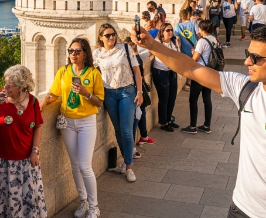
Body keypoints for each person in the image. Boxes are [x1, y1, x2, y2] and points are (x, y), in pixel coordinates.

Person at [133, 25, 266, 217]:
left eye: (255, 58)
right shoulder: (245, 89)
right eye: (248, 54)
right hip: (241, 208)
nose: (247, 62)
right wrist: (152, 45)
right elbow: (192, 69)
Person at [42, 38, 104, 218]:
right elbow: (54, 93)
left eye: (77, 51)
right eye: (70, 51)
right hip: (67, 122)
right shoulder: (63, 71)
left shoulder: (93, 74)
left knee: (85, 165)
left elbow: (99, 102)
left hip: (86, 122)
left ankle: (94, 206)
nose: (73, 54)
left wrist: (86, 94)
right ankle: (83, 201)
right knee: (75, 165)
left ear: (85, 53)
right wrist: (42, 104)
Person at [0, 65, 46, 218]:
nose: (6, 87)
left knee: (28, 200)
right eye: (6, 82)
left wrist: (35, 151)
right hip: (4, 162)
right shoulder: (0, 98)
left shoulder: (33, 102)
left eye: (10, 84)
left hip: (27, 161)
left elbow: (37, 127)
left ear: (21, 86)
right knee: (6, 202)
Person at [93, 24, 143, 183]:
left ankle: (129, 167)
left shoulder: (125, 48)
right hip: (109, 94)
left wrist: (140, 92)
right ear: (101, 37)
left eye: (113, 34)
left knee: (127, 131)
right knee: (118, 130)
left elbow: (137, 71)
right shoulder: (97, 54)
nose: (111, 37)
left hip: (127, 92)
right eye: (107, 35)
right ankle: (125, 162)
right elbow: (91, 73)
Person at [182, 19, 218, 134]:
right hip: (210, 72)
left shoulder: (202, 41)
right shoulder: (214, 39)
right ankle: (207, 125)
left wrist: (193, 53)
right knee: (207, 98)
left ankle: (192, 126)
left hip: (200, 72)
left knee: (193, 99)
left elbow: (195, 59)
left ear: (202, 29)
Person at [153, 22, 180, 132]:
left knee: (172, 97)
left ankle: (169, 119)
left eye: (171, 30)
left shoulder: (173, 41)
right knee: (164, 98)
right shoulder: (158, 43)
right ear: (162, 32)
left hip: (172, 72)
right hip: (161, 72)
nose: (170, 32)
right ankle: (163, 123)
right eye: (167, 30)